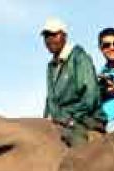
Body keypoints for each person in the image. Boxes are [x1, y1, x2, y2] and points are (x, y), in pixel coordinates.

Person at [41, 17, 105, 147]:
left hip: (83, 120)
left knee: (78, 155)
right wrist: (45, 121)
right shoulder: (51, 66)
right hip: (60, 120)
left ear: (64, 36)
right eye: (46, 36)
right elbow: (51, 100)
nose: (49, 39)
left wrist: (69, 118)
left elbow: (91, 96)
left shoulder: (79, 57)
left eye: (54, 34)